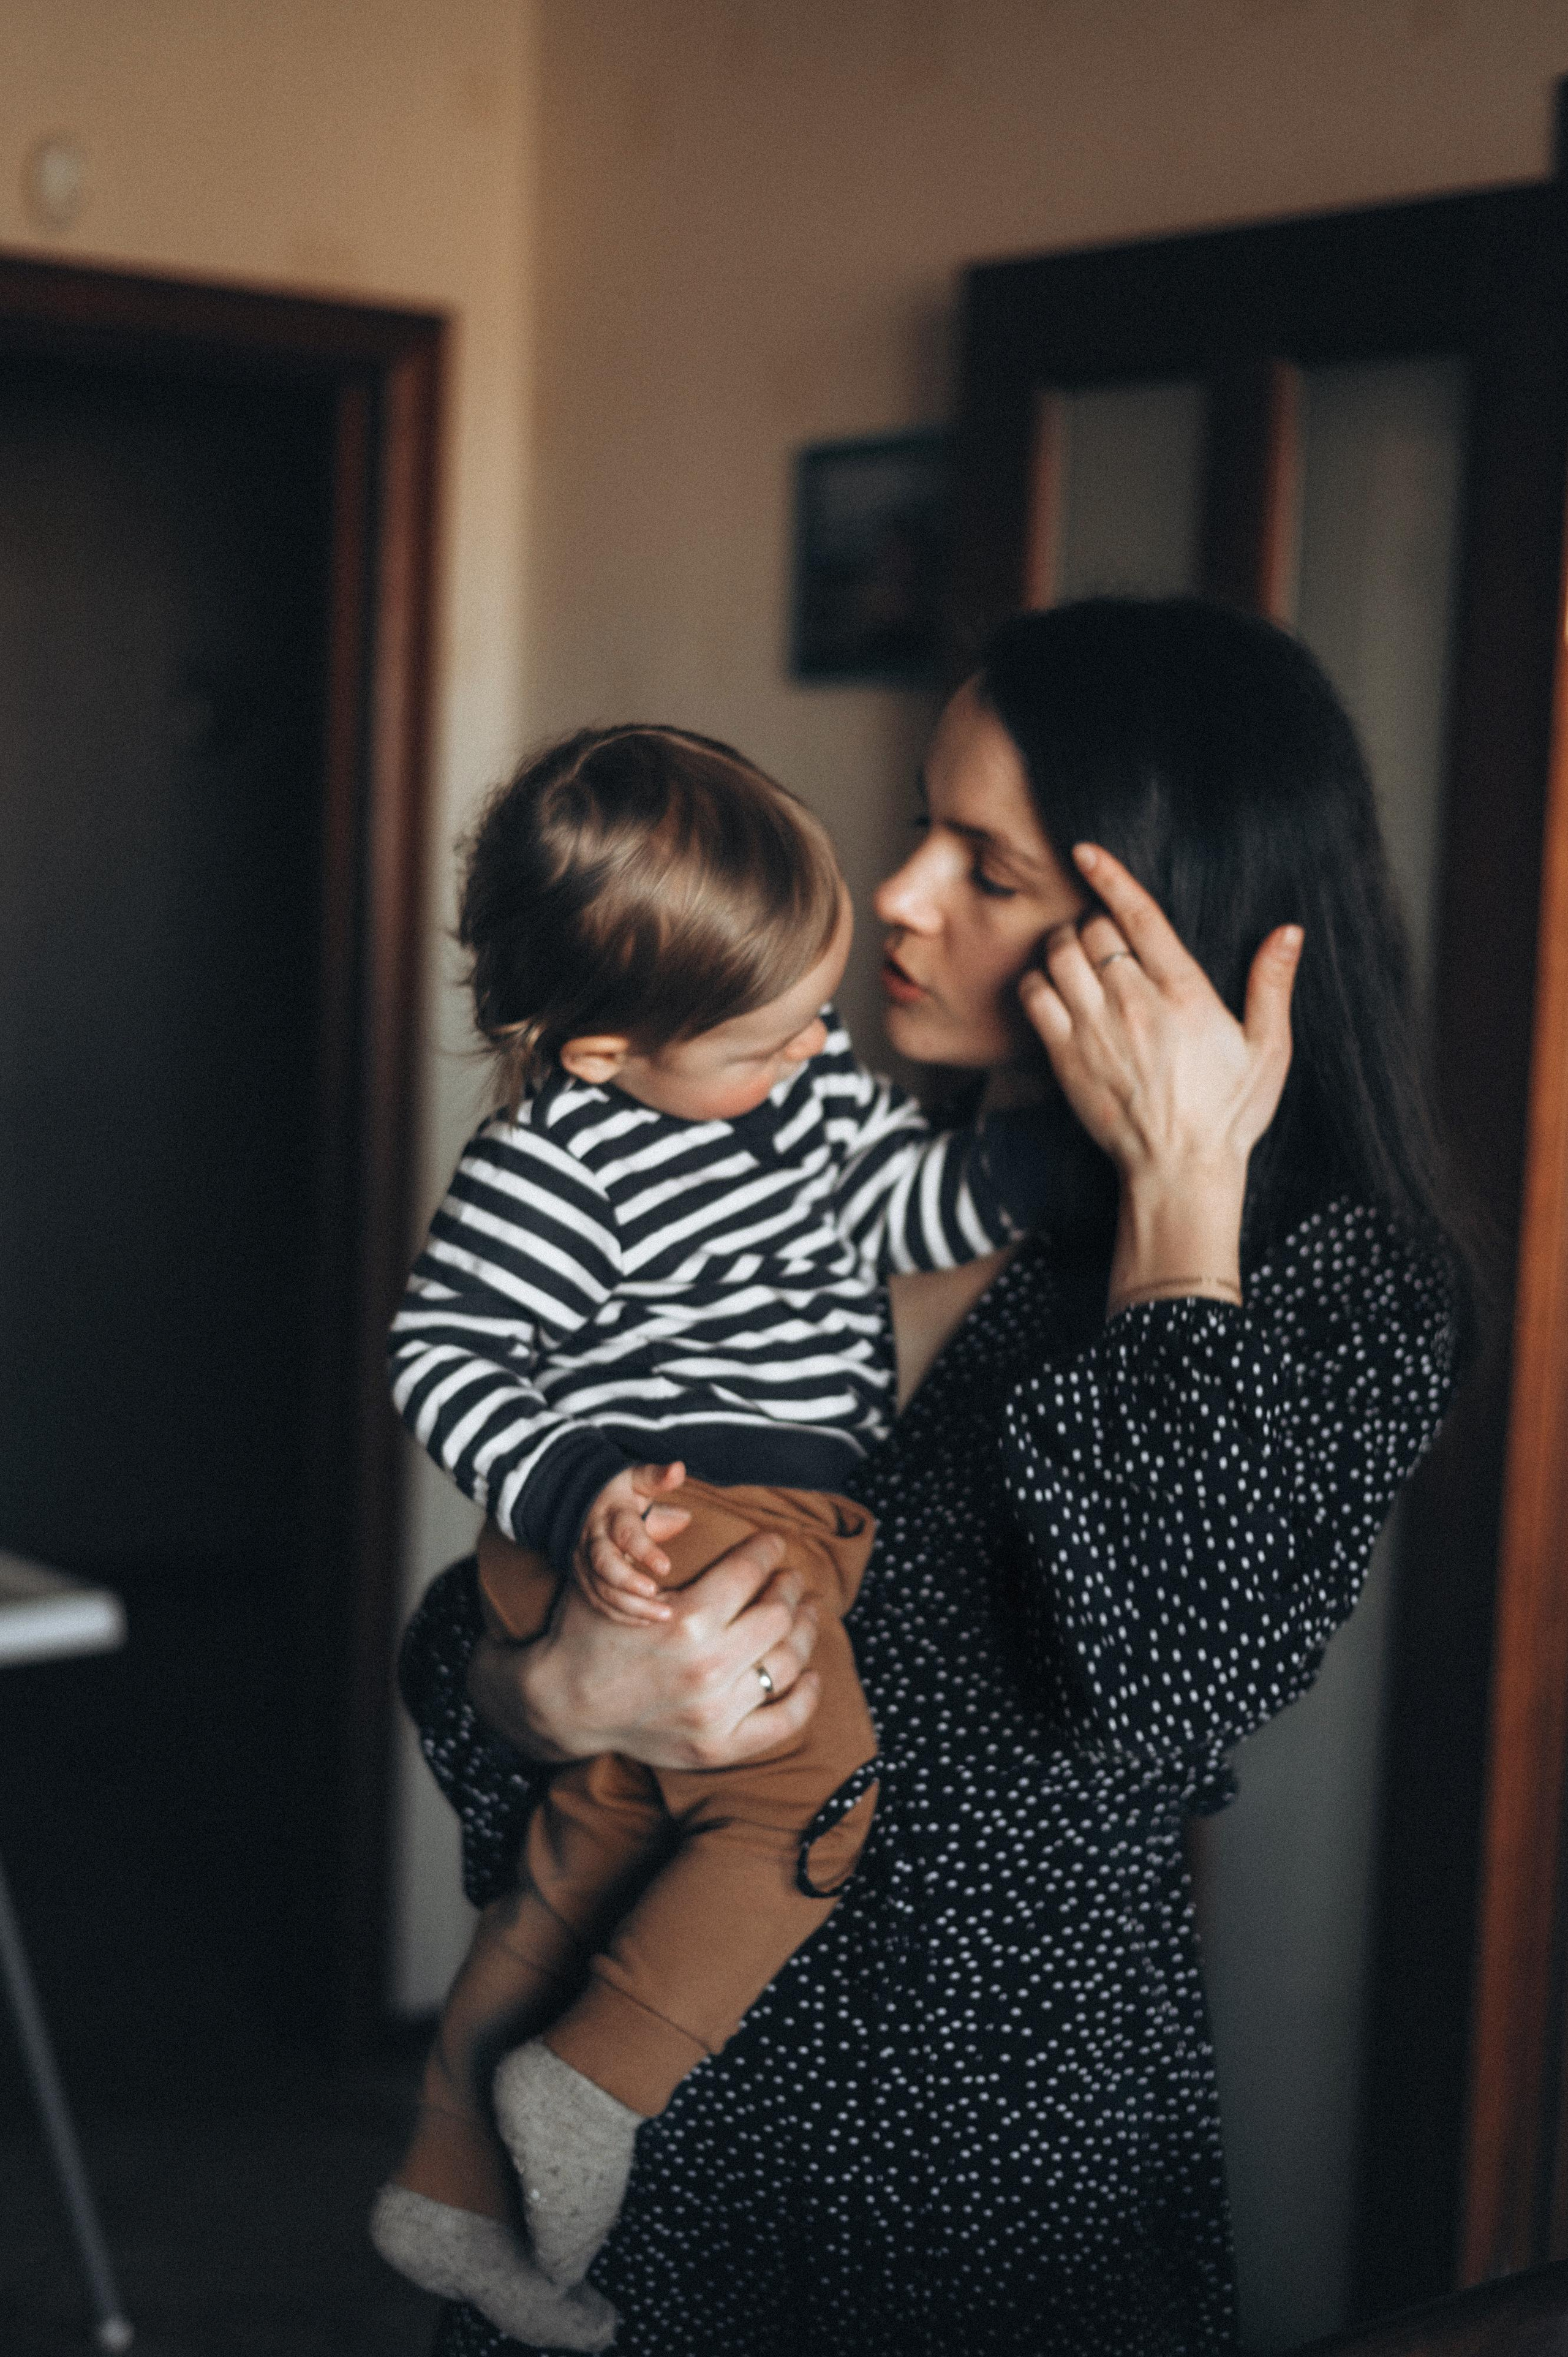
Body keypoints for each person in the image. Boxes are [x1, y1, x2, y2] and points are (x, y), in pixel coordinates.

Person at [397, 599, 1471, 2356]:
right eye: (920, 829)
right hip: (623, 2114)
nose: (898, 898)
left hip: (971, 2182)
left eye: (991, 867)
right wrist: (543, 1690)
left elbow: (1173, 1679)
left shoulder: (1336, 1283)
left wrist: (1182, 1203)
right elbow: (474, 1618)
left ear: (1161, 924)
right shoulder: (795, 1162)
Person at [371, 724, 1049, 2342]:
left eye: (818, 1010)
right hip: (661, 1506)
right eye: (767, 1035)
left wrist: (1060, 1152)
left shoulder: (796, 1083)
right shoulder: (563, 1157)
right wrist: (564, 1495)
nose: (818, 1047)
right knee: (814, 1792)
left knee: (581, 1865)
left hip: (747, 1509)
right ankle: (597, 2083)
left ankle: (448, 2193)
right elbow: (441, 1353)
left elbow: (906, 1202)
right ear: (603, 1052)